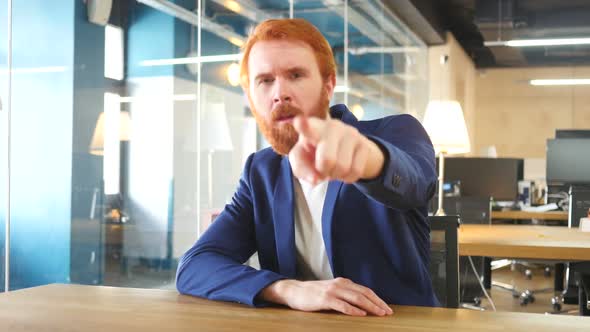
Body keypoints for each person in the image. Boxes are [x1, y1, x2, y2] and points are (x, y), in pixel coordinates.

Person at [176, 18, 438, 317]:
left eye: (296, 75)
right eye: (265, 80)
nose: (280, 93)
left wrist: (366, 157)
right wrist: (287, 289)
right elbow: (195, 265)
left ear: (328, 85)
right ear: (251, 96)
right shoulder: (260, 171)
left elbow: (416, 183)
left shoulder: (397, 131)